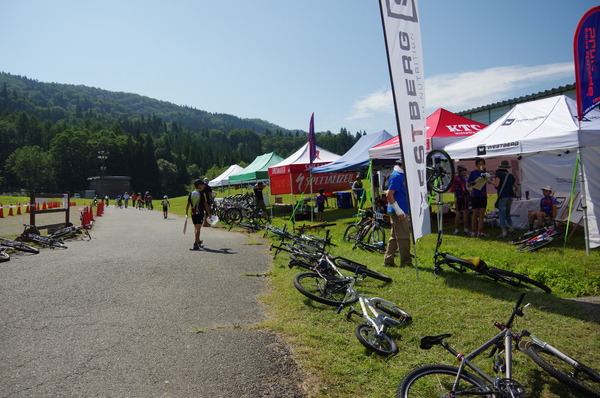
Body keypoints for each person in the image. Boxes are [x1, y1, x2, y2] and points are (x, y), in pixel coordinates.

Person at [383, 160, 411, 267]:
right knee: (404, 236)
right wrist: (399, 211)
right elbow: (389, 195)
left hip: (402, 210)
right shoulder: (396, 176)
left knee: (394, 236)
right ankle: (406, 262)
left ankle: (388, 260)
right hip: (399, 211)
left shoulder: (402, 174)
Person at [492, 160, 518, 238]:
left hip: (503, 196)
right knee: (507, 213)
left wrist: (490, 181)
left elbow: (497, 184)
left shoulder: (499, 174)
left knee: (502, 214)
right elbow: (516, 187)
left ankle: (504, 232)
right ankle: (511, 228)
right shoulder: (510, 176)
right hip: (510, 197)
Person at [467, 157, 490, 237]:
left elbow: (489, 182)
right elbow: (468, 185)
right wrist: (472, 183)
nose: (481, 165)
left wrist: (486, 178)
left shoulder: (486, 173)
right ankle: (473, 230)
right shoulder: (473, 173)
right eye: (480, 164)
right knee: (475, 213)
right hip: (475, 195)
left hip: (483, 195)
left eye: (483, 164)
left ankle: (480, 231)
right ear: (476, 165)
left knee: (482, 213)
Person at [186, 179, 212, 250]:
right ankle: (195, 243)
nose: (204, 185)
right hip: (200, 213)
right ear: (199, 186)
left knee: (196, 228)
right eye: (202, 184)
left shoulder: (191, 193)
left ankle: (198, 240)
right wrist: (209, 213)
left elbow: (188, 204)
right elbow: (205, 204)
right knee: (198, 229)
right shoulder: (201, 193)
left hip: (193, 213)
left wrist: (186, 213)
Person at [452, 165, 470, 235]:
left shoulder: (455, 179)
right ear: (461, 172)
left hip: (457, 197)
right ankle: (465, 229)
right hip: (464, 197)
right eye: (465, 171)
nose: (466, 173)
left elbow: (453, 188)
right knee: (465, 213)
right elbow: (464, 189)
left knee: (458, 213)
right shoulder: (463, 179)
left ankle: (456, 230)